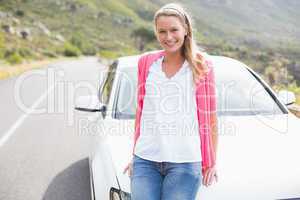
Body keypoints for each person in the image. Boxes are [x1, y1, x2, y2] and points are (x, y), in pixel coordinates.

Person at [123, 3, 218, 200]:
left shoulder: (202, 66)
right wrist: (135, 155)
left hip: (185, 162)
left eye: (174, 29)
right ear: (156, 33)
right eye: (162, 31)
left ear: (185, 29)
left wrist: (211, 162)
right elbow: (142, 112)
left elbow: (210, 118)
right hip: (145, 160)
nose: (168, 37)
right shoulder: (146, 63)